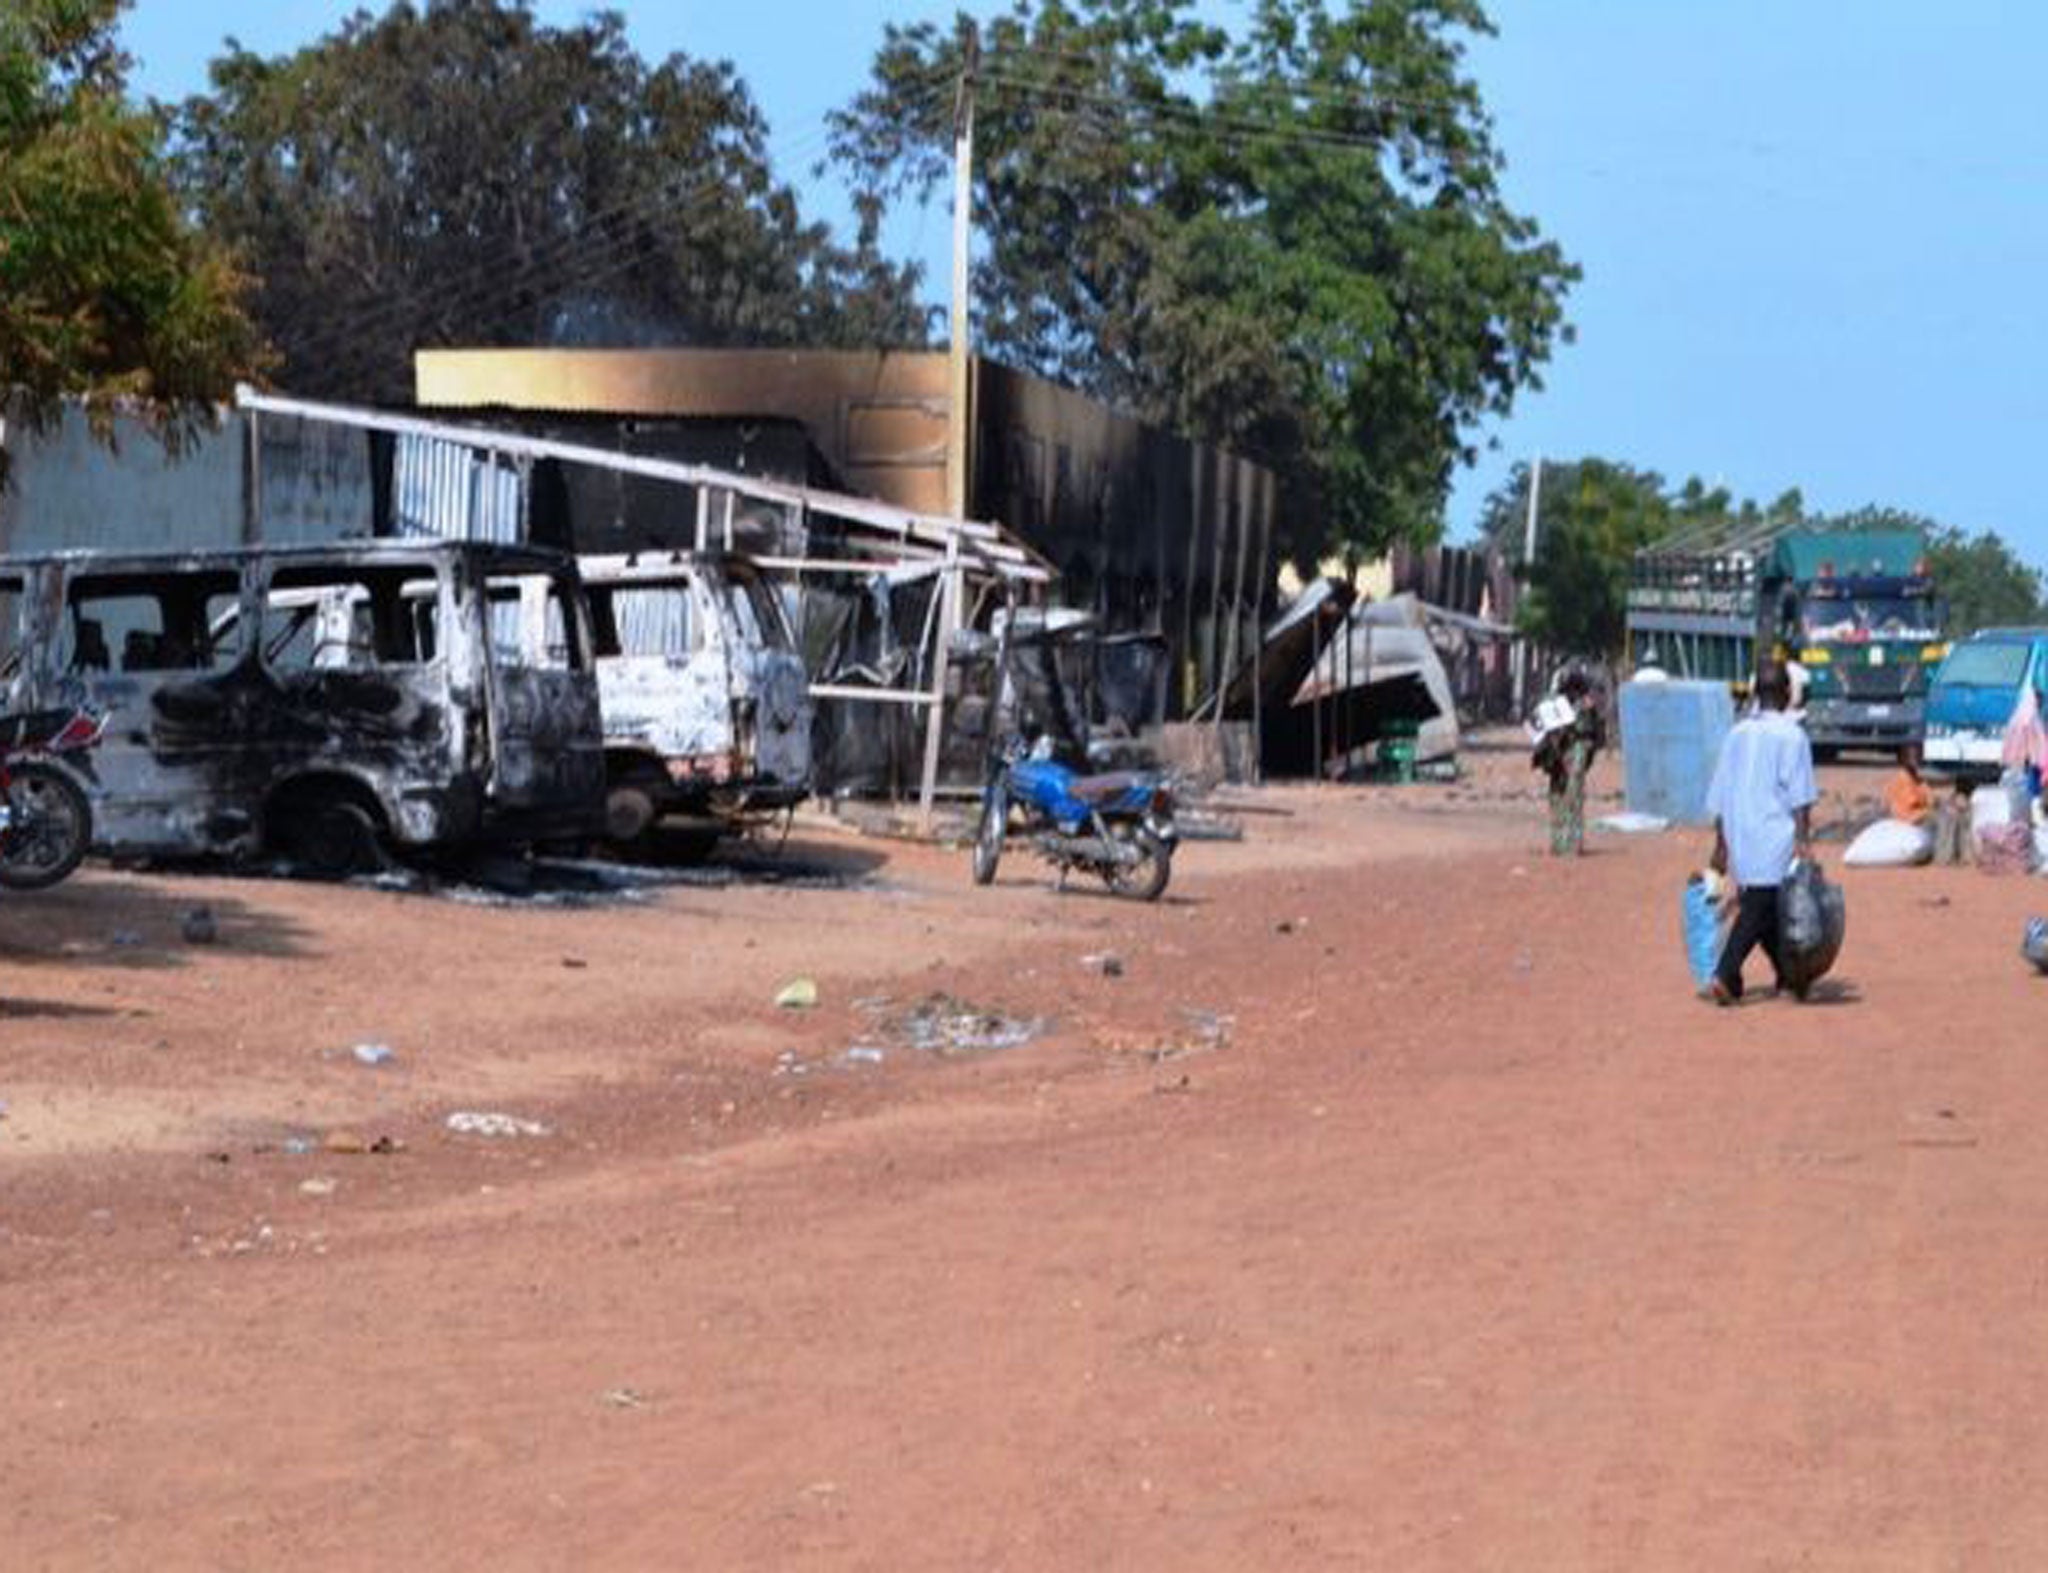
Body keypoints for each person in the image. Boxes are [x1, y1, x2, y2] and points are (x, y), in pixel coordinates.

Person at [1704, 658, 1818, 1003]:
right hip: (1774, 833)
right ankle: (1726, 972)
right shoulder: (1793, 737)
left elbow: (1721, 792)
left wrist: (1721, 844)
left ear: (1754, 693)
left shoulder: (1736, 734)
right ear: (1786, 694)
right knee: (1760, 903)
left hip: (1741, 832)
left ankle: (1788, 977)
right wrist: (1802, 840)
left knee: (1765, 905)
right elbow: (1800, 796)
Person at [1535, 667, 1604, 857]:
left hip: (1576, 748)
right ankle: (1559, 844)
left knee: (1573, 795)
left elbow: (1594, 734)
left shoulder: (1586, 705)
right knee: (1557, 795)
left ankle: (1571, 845)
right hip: (1558, 752)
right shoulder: (1553, 702)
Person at [1884, 744, 1933, 827]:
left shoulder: (1921, 783)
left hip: (1917, 823)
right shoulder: (1895, 784)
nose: (1915, 768)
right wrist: (1923, 813)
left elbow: (1930, 802)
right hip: (1904, 825)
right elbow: (1899, 813)